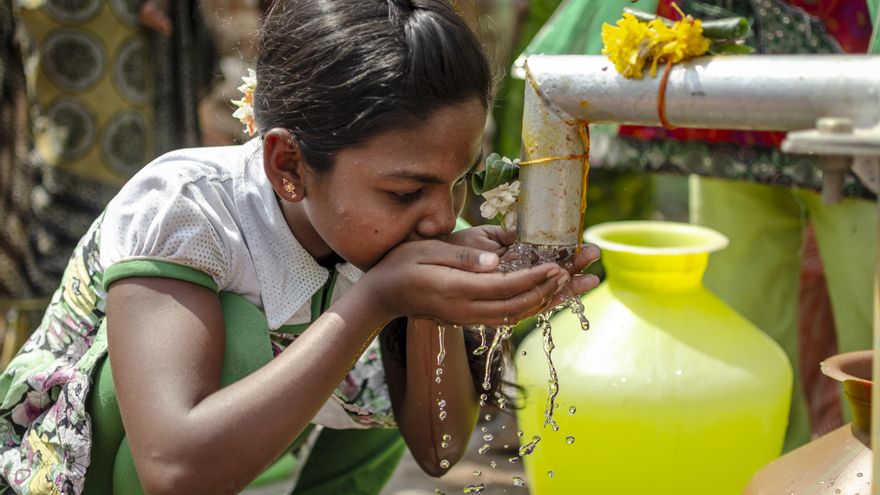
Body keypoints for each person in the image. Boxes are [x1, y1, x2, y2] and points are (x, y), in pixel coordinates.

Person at [0, 1, 601, 494]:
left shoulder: (389, 228)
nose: (442, 216)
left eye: (457, 180)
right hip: (65, 472)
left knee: (362, 359)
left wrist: (430, 309)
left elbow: (440, 451)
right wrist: (374, 303)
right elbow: (173, 468)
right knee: (249, 333)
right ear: (288, 163)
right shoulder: (189, 207)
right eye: (405, 191)